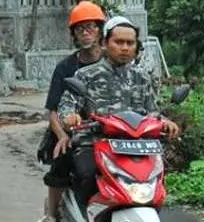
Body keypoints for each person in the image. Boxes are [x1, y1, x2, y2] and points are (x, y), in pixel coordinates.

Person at [59, 16, 181, 203]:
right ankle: (87, 219)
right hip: (95, 142)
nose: (125, 47)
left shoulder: (141, 77)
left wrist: (164, 121)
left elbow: (152, 111)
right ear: (105, 44)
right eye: (119, 42)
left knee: (156, 180)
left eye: (130, 43)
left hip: (136, 145)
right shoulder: (86, 75)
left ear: (136, 47)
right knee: (87, 175)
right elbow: (67, 105)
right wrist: (70, 116)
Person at [33, 0, 106, 222]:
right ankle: (51, 213)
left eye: (91, 27)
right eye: (80, 28)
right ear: (74, 34)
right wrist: (62, 134)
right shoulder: (66, 67)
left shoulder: (111, 63)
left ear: (100, 31)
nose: (85, 32)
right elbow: (52, 110)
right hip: (72, 128)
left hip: (106, 128)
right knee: (60, 157)